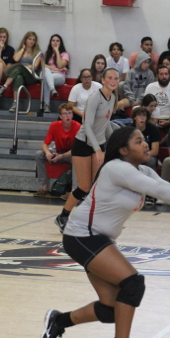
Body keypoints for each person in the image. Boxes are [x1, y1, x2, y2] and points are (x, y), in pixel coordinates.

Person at [41, 126, 170, 338]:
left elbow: (164, 187)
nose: (145, 144)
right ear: (123, 150)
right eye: (138, 141)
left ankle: (58, 321)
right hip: (82, 235)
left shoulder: (142, 171)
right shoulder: (116, 168)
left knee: (111, 309)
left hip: (99, 239)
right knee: (133, 284)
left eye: (144, 139)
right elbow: (158, 190)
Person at [55, 68, 119, 233]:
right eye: (110, 78)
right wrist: (98, 150)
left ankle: (91, 221)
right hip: (83, 144)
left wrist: (115, 144)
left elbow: (105, 125)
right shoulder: (94, 98)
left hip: (98, 144)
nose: (113, 81)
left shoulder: (112, 98)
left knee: (96, 187)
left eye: (116, 78)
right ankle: (63, 216)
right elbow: (88, 127)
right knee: (83, 187)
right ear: (103, 80)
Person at [34, 103, 81, 197]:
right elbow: (45, 144)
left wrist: (62, 156)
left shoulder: (78, 126)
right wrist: (47, 153)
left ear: (72, 115)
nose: (68, 116)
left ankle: (74, 191)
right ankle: (44, 187)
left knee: (77, 157)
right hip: (58, 151)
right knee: (39, 154)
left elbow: (77, 148)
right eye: (65, 113)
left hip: (71, 154)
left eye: (69, 113)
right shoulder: (54, 125)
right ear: (60, 116)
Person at [0, 31, 43, 113]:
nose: (32, 41)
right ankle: (15, 103)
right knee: (18, 77)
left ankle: (3, 87)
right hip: (20, 72)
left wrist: (23, 67)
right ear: (25, 40)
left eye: (34, 40)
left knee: (19, 66)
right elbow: (16, 59)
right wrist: (23, 48)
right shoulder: (20, 51)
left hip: (31, 76)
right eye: (30, 39)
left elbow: (35, 67)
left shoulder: (38, 53)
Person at [142, 64, 170, 131]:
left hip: (169, 119)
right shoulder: (150, 87)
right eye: (161, 74)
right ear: (157, 76)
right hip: (152, 118)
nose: (164, 76)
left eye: (166, 74)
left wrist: (169, 121)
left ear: (169, 75)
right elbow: (145, 106)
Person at [41, 34, 70, 113]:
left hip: (59, 77)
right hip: (49, 74)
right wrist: (57, 69)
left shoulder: (64, 54)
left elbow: (60, 64)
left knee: (46, 77)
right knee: (46, 73)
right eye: (53, 40)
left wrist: (57, 51)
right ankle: (52, 92)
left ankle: (46, 104)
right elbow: (43, 65)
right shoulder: (46, 54)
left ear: (60, 43)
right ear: (50, 42)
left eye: (57, 41)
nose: (55, 42)